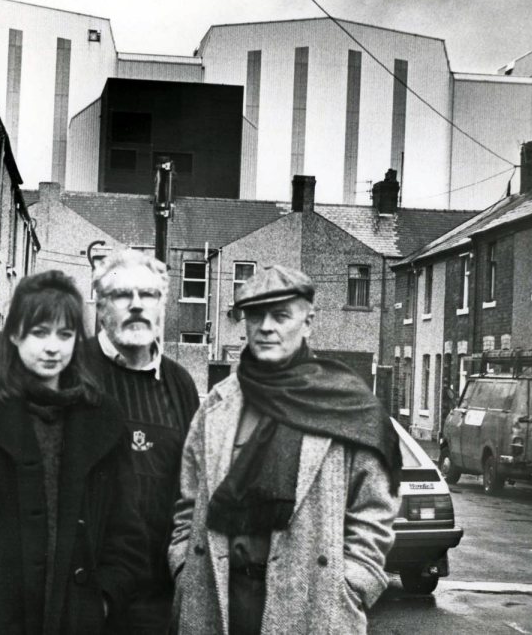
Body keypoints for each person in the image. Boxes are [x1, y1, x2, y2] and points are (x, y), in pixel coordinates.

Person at [168, 265, 402, 634]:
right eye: (256, 315)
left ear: (308, 322)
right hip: (218, 596)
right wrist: (184, 566)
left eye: (280, 316)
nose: (266, 327)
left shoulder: (346, 402)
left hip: (313, 600)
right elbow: (188, 499)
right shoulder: (218, 404)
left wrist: (354, 583)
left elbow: (374, 508)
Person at [0, 270, 147, 634]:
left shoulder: (103, 419)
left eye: (65, 334)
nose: (52, 347)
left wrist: (100, 601)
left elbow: (127, 532)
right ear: (14, 334)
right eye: (39, 333)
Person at [85, 249, 199, 634]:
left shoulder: (180, 385)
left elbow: (193, 488)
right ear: (101, 308)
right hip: (88, 600)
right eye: (121, 295)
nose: (136, 305)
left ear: (162, 307)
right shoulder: (74, 371)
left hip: (159, 601)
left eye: (148, 295)